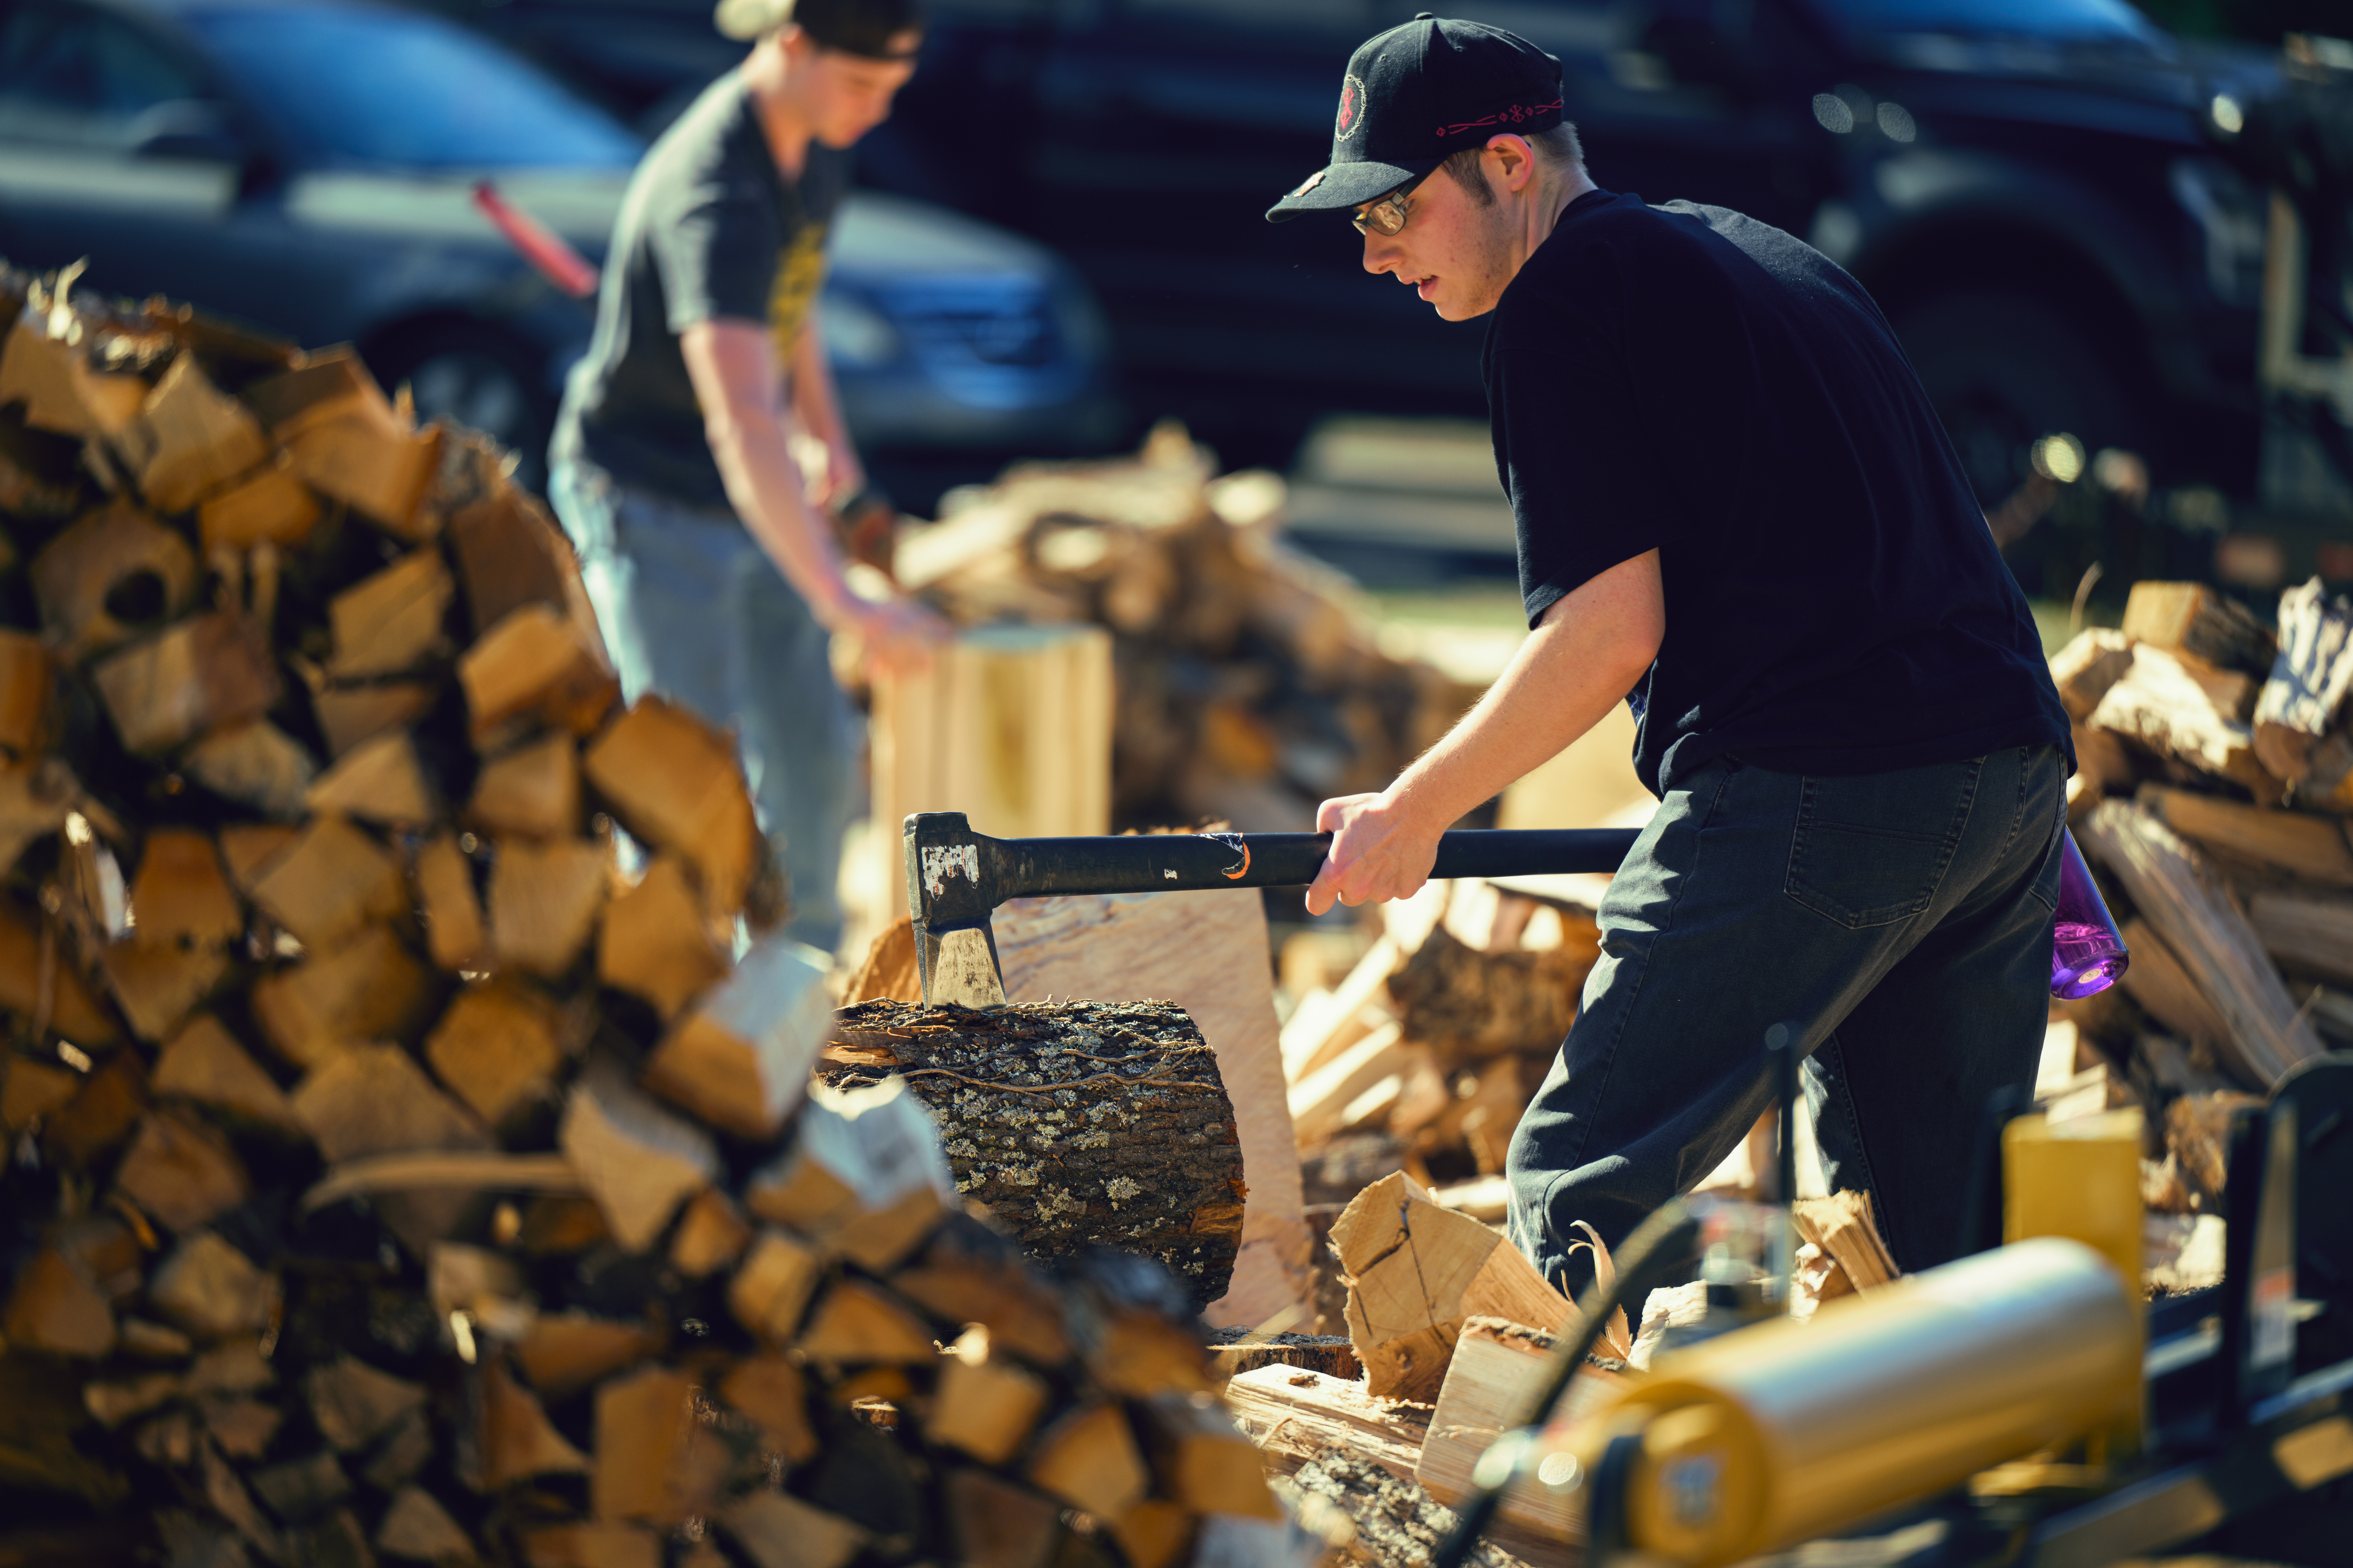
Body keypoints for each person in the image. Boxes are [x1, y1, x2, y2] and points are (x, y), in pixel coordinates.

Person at [1267, 15, 2074, 1293]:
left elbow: (1605, 632)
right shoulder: (1765, 259)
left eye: (1395, 212)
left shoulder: (1562, 304)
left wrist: (1414, 810)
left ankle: (1581, 1490)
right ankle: (1959, 1486)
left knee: (1585, 1172)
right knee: (1925, 1232)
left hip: (1822, 776)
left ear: (1510, 168)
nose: (1377, 255)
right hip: (2008, 767)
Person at [549, 0, 945, 956]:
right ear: (792, 45)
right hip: (651, 492)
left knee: (813, 754)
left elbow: (791, 310)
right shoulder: (715, 192)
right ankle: (676, 986)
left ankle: (802, 980)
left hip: (753, 493)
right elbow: (739, 420)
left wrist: (835, 461)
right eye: (862, 86)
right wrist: (843, 597)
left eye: (895, 90)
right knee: (686, 768)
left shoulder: (818, 138)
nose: (878, 112)